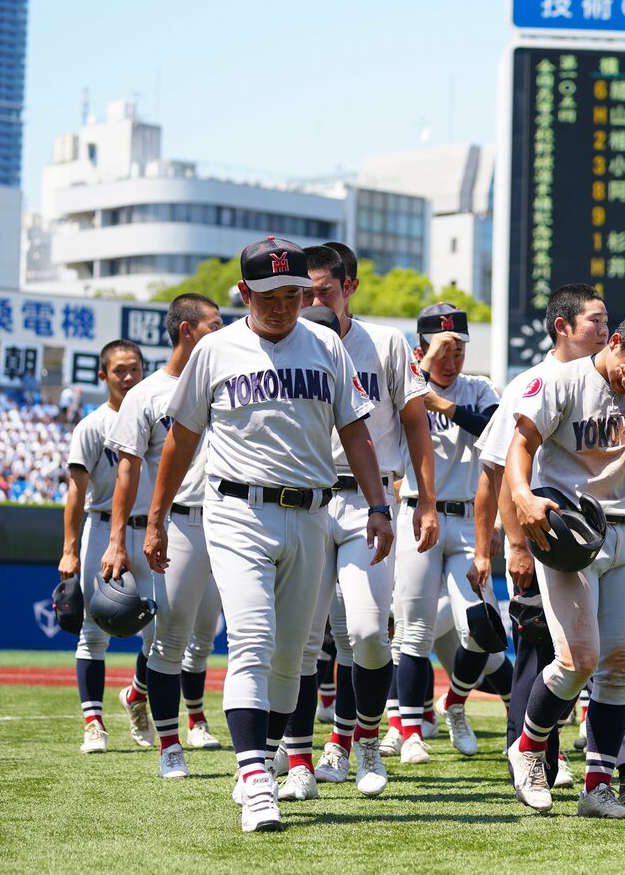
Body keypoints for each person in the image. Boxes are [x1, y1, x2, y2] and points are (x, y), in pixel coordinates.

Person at [144, 236, 392, 833]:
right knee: (252, 641)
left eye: (291, 293)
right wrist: (155, 518)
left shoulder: (326, 343)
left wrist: (379, 505)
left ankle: (266, 753)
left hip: (311, 511)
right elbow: (179, 439)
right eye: (267, 294)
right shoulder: (216, 349)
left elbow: (356, 432)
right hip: (236, 511)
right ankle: (257, 779)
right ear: (242, 292)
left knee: (292, 659)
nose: (280, 304)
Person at [504, 310, 625, 820]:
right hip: (568, 532)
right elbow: (521, 447)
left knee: (621, 669)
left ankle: (597, 787)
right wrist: (522, 497)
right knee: (577, 660)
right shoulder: (561, 379)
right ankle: (530, 748)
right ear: (617, 342)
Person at [277, 246, 436, 802]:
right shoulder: (286, 341)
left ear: (351, 287)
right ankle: (301, 757)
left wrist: (426, 499)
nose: (312, 301)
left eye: (324, 290)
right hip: (301, 499)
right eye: (305, 292)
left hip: (368, 499)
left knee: (368, 632)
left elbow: (416, 422)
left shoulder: (386, 342)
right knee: (299, 641)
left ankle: (365, 739)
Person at [468, 284, 610, 788]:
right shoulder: (532, 383)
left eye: (605, 318)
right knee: (540, 653)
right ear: (562, 327)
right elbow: (498, 473)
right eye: (593, 320)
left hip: (599, 542)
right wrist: (510, 548)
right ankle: (530, 758)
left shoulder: (611, 381)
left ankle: (586, 760)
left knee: (588, 656)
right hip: (546, 543)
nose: (604, 328)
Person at [100, 294, 226, 778]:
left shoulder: (229, 382)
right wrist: (117, 541)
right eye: (214, 323)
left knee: (212, 638)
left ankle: (264, 743)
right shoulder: (147, 394)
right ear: (187, 330)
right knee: (169, 639)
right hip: (182, 523)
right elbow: (126, 473)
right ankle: (170, 745)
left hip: (234, 517)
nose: (224, 329)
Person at [391, 301, 501, 764]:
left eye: (458, 346)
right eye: (442, 347)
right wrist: (425, 380)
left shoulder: (478, 388)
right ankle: (411, 730)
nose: (451, 357)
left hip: (468, 521)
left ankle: (454, 703)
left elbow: (498, 431)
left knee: (482, 629)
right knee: (412, 633)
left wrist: (447, 407)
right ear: (421, 348)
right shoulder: (406, 387)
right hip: (418, 513)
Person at [58, 339, 146, 754]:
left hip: (148, 530)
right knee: (92, 631)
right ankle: (93, 723)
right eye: (119, 371)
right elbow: (75, 494)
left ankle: (138, 696)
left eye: (135, 368)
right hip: (100, 526)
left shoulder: (157, 417)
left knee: (163, 630)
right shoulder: (92, 426)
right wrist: (70, 549)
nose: (129, 377)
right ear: (103, 376)